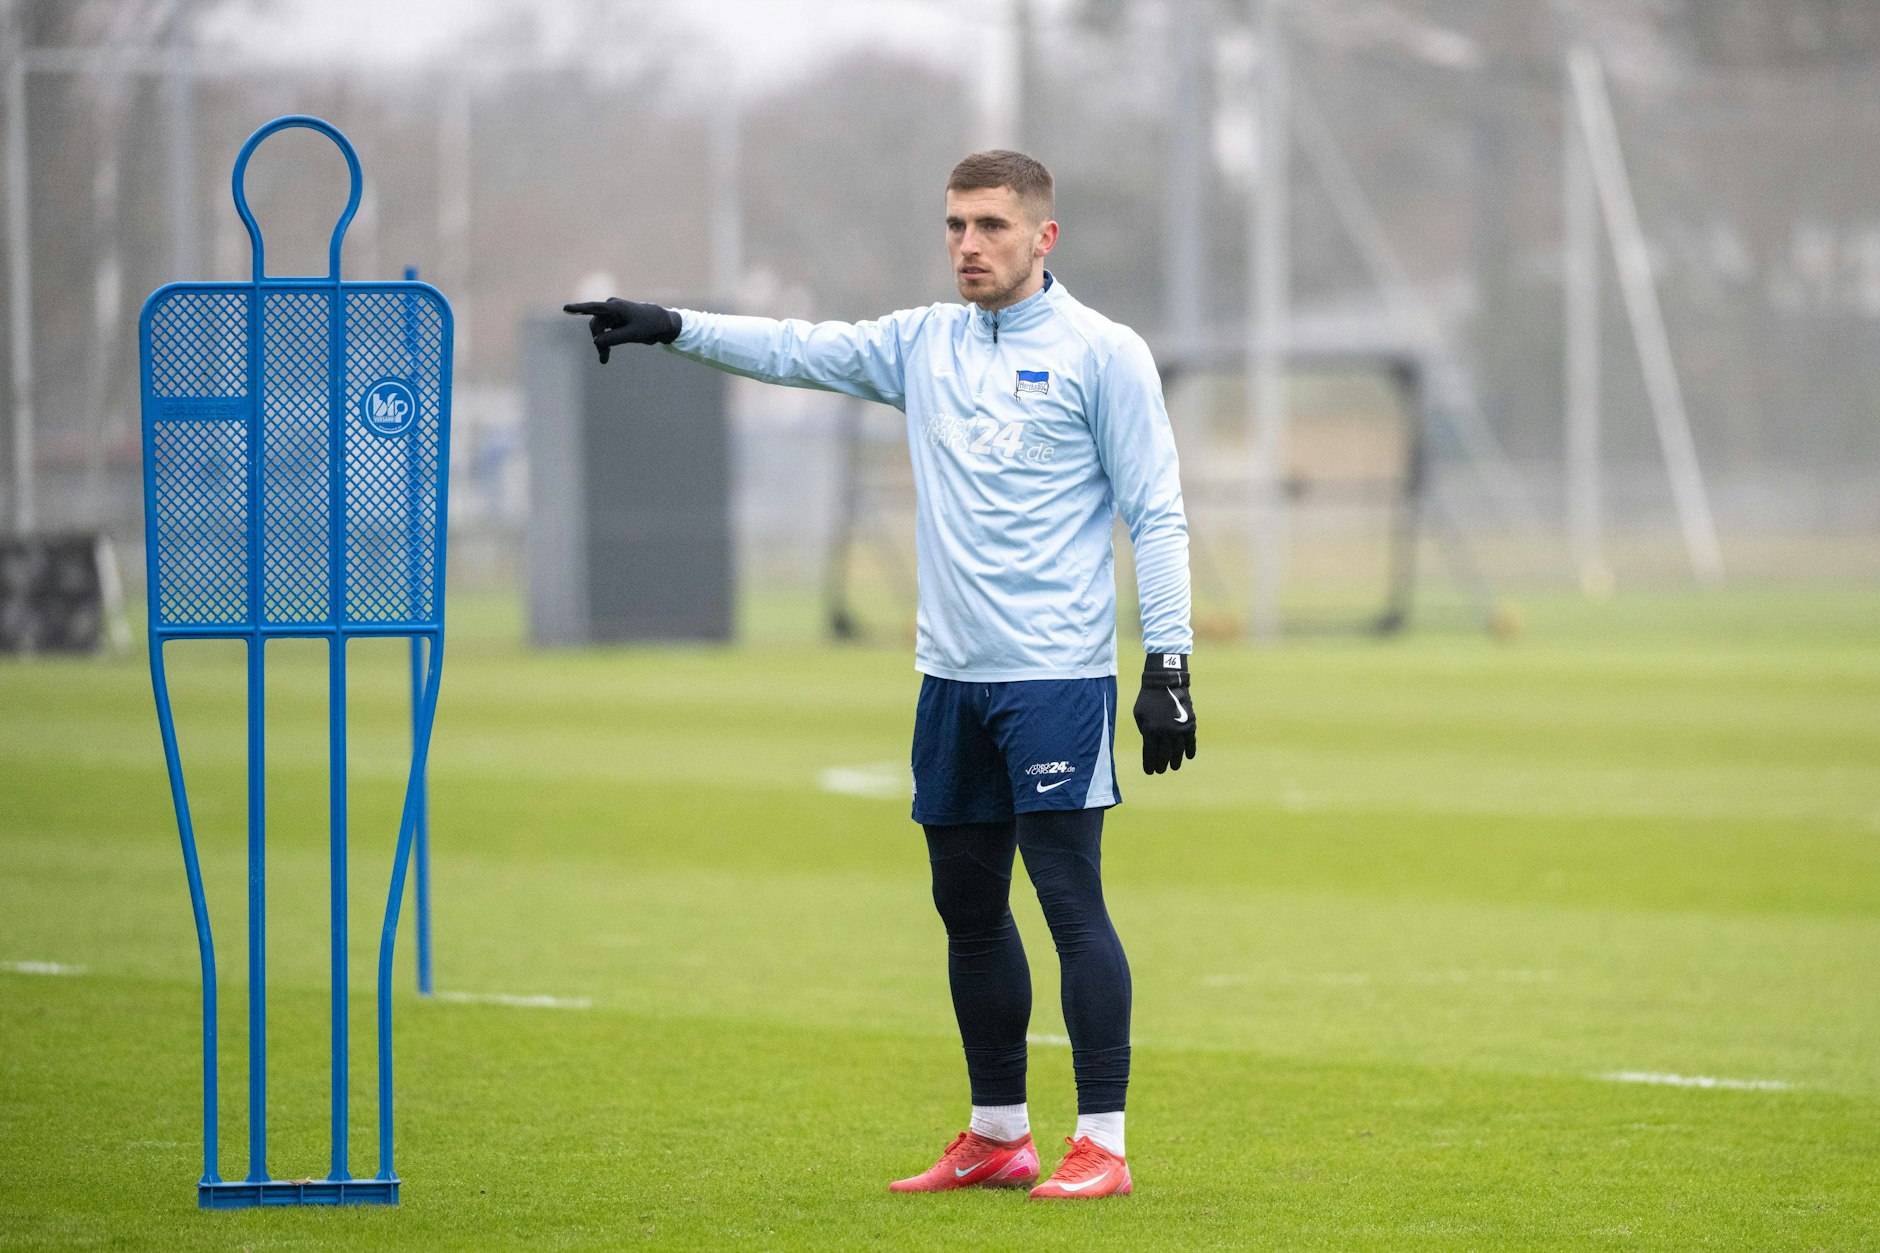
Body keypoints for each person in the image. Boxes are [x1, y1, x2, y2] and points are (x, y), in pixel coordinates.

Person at [566, 149, 1194, 1201]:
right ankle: (999, 1131)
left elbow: (1157, 510)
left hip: (1053, 677)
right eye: (953, 225)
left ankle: (1104, 1141)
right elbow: (793, 349)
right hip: (948, 676)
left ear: (1043, 236)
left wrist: (1166, 660)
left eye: (990, 225)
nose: (966, 245)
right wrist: (673, 324)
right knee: (965, 907)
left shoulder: (1103, 353)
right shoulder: (921, 343)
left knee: (1069, 900)